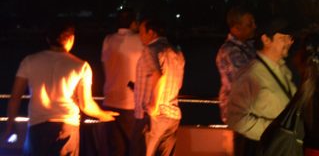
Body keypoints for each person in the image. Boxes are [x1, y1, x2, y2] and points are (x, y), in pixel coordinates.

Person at [3, 21, 118, 155]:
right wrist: (104, 115)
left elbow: (15, 98)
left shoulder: (29, 61)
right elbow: (86, 105)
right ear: (71, 39)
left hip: (37, 127)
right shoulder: (81, 66)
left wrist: (10, 126)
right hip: (67, 127)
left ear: (48, 39)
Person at [227, 19, 297, 156]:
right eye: (283, 38)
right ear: (266, 39)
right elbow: (235, 119)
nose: (289, 42)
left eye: (290, 37)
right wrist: (275, 132)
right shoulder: (251, 74)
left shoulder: (283, 71)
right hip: (264, 149)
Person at [132, 18, 185, 156]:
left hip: (153, 117)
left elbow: (158, 74)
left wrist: (154, 105)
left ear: (151, 32)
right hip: (172, 117)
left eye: (142, 32)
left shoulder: (150, 50)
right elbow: (178, 84)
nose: (140, 36)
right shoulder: (177, 53)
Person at [100, 10, 144, 156]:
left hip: (109, 100)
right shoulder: (140, 40)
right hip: (131, 103)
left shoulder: (108, 40)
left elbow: (104, 64)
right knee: (134, 148)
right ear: (133, 23)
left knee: (114, 150)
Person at [216, 7, 257, 122]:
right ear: (236, 28)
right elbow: (244, 82)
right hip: (239, 114)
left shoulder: (248, 47)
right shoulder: (230, 52)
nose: (255, 26)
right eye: (250, 24)